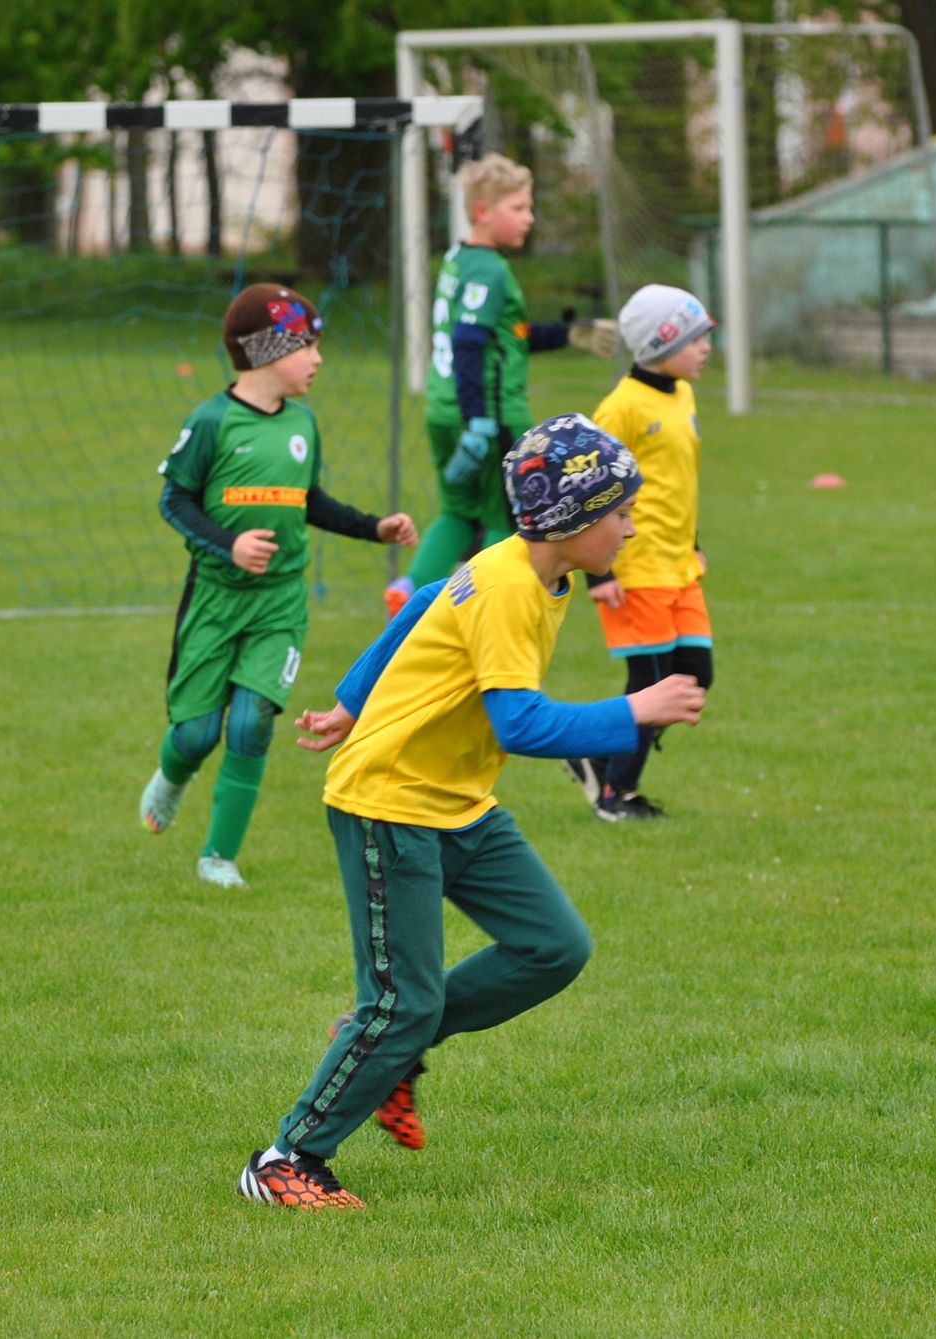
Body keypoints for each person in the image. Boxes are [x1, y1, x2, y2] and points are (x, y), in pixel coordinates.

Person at [236, 415, 705, 1210]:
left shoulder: (527, 569)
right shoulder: (510, 587)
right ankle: (286, 1159)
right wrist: (635, 710)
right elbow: (519, 724)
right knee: (403, 1002)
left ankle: (390, 1047)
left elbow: (424, 601)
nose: (631, 526)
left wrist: (351, 700)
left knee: (553, 946)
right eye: (622, 512)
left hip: (457, 802)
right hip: (390, 802)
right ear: (574, 518)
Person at [139, 283, 418, 889]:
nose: (318, 359)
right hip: (214, 599)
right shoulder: (211, 422)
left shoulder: (303, 424)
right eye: (306, 347)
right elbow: (174, 500)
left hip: (280, 601)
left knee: (250, 724)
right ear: (267, 351)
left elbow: (308, 501)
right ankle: (173, 775)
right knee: (195, 734)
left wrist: (374, 527)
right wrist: (230, 544)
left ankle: (218, 857)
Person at [384, 154, 617, 616]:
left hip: (442, 409)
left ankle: (408, 593)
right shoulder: (490, 270)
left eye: (529, 207)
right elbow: (470, 343)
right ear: (482, 211)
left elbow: (505, 337)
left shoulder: (458, 259)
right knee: (504, 516)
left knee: (457, 511)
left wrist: (565, 334)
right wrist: (479, 422)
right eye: (518, 208)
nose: (529, 218)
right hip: (490, 417)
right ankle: (484, 611)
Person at [564, 285, 716, 821]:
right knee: (653, 685)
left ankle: (594, 757)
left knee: (694, 676)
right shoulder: (621, 407)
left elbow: (676, 482)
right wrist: (597, 574)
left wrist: (692, 543)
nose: (706, 348)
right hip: (633, 568)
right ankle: (616, 796)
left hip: (679, 566)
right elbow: (588, 487)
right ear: (661, 342)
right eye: (695, 339)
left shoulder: (683, 394)